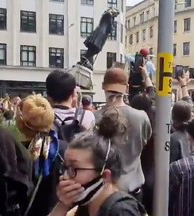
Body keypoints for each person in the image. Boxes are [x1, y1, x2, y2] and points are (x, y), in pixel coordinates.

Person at [49, 109, 146, 216]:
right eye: (65, 168)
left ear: (105, 175)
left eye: (74, 169)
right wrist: (63, 204)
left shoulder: (120, 211)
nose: (65, 177)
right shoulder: (87, 204)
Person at [94, 67, 152, 201]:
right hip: (133, 190)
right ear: (126, 88)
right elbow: (145, 140)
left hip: (102, 191)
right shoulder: (141, 117)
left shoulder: (94, 118)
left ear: (103, 87)